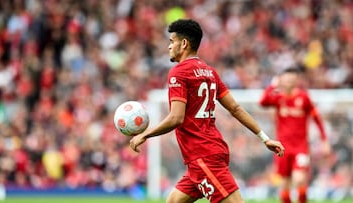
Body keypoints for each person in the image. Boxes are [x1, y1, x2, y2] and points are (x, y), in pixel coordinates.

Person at [129, 19, 285, 203]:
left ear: (184, 43)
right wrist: (265, 138)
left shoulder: (178, 72)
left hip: (203, 155)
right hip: (207, 154)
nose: (169, 46)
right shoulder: (210, 72)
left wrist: (145, 135)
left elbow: (176, 118)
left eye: (172, 41)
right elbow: (235, 108)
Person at [259, 68, 331, 203]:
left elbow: (317, 119)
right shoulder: (278, 98)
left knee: (299, 179)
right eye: (286, 80)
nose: (288, 82)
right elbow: (262, 102)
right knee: (285, 182)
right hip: (282, 147)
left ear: (296, 80)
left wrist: (324, 140)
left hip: (300, 147)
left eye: (291, 79)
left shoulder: (304, 98)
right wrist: (272, 86)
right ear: (282, 80)